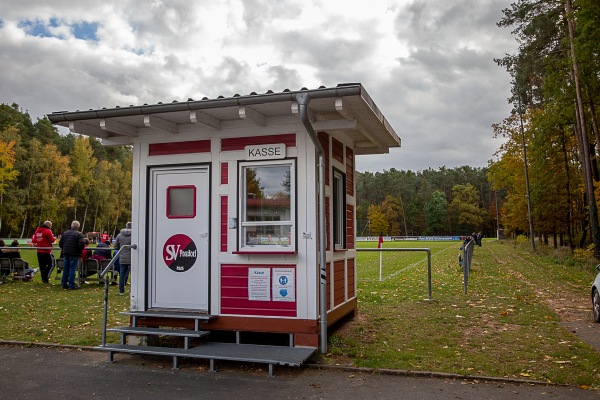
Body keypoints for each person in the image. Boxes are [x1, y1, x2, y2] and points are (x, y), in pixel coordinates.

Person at [59, 220, 85, 290]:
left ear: (71, 225)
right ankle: (71, 284)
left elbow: (60, 243)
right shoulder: (79, 234)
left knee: (65, 269)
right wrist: (78, 250)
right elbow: (82, 244)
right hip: (74, 253)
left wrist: (64, 249)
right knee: (72, 269)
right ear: (78, 227)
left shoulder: (65, 233)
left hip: (66, 253)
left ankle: (64, 283)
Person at [114, 222, 132, 295]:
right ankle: (133, 290)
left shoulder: (119, 235)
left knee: (122, 274)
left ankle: (121, 291)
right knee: (133, 275)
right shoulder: (135, 234)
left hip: (123, 257)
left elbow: (115, 247)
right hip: (132, 257)